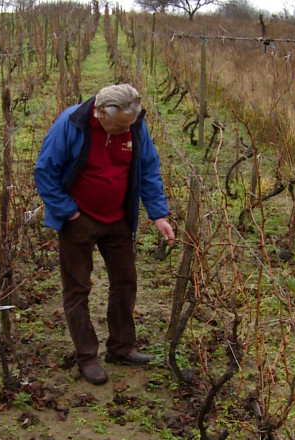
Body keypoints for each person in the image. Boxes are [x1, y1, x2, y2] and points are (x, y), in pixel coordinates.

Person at [34, 84, 175, 385]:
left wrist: (158, 214)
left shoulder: (134, 126)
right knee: (77, 289)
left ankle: (121, 348)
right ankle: (86, 356)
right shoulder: (71, 124)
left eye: (130, 124)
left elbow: (148, 167)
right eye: (121, 125)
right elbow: (44, 171)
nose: (127, 130)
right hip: (79, 220)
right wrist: (69, 212)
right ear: (100, 113)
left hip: (118, 219)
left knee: (125, 282)